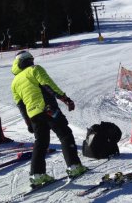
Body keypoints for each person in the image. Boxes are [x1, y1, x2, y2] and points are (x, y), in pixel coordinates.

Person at [11, 50, 87, 186]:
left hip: (34, 116)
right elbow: (48, 85)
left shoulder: (15, 82)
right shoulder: (34, 69)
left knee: (41, 143)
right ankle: (74, 166)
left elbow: (21, 105)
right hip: (48, 109)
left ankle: (37, 175)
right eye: (30, 60)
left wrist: (28, 122)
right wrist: (65, 99)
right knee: (65, 135)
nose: (31, 62)